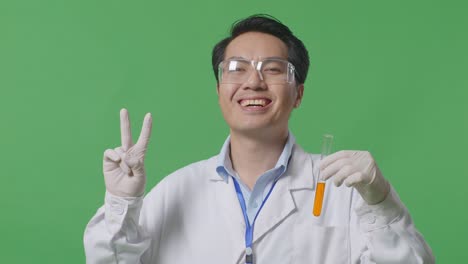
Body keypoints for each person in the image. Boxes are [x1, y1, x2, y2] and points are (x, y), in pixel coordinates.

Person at [84, 14, 435, 264]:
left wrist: (381, 203)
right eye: (236, 69)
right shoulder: (175, 191)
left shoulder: (342, 192)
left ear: (298, 93)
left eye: (272, 69)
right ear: (220, 90)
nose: (253, 82)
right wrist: (121, 204)